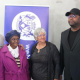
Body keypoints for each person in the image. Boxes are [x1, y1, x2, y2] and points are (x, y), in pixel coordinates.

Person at [60, 8, 80, 80]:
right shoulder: (64, 34)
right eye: (69, 16)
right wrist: (59, 72)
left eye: (73, 16)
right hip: (67, 75)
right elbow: (62, 55)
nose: (70, 18)